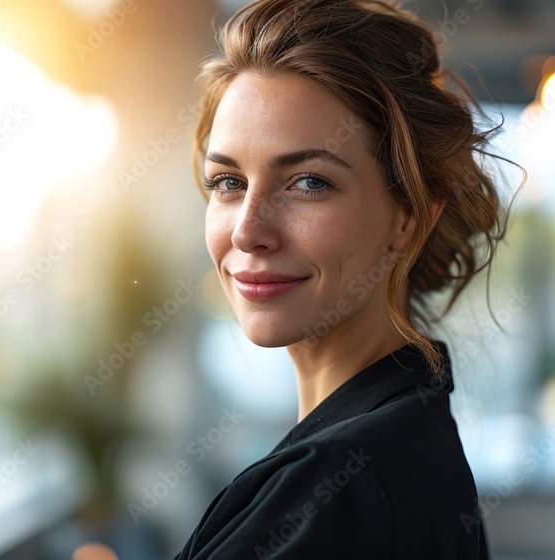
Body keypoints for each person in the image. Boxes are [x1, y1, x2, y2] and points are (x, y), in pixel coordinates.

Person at [175, 0, 513, 557]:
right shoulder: (401, 443)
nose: (247, 232)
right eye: (228, 182)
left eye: (308, 182)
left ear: (411, 215)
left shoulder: (338, 485)